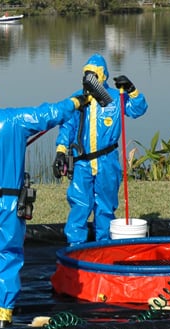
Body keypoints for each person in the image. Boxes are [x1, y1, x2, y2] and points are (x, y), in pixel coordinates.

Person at [0, 74, 90, 329]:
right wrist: (76, 102)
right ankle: (4, 317)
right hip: (9, 203)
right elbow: (48, 113)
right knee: (8, 255)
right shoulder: (13, 120)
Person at [54, 53, 148, 246]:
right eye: (87, 75)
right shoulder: (77, 100)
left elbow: (137, 110)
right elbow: (67, 127)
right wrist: (61, 151)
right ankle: (76, 248)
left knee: (105, 205)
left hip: (107, 161)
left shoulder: (115, 98)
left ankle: (103, 246)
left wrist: (132, 91)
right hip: (82, 162)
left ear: (102, 76)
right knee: (80, 204)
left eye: (94, 75)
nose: (90, 80)